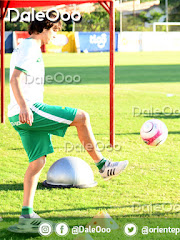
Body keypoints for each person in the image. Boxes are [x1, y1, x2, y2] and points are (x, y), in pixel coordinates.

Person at [8, 12, 128, 231]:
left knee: (37, 162)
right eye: (54, 30)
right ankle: (103, 165)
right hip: (29, 110)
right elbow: (14, 78)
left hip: (18, 114)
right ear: (44, 27)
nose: (55, 36)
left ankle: (26, 215)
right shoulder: (30, 47)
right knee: (82, 117)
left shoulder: (24, 45)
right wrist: (25, 106)